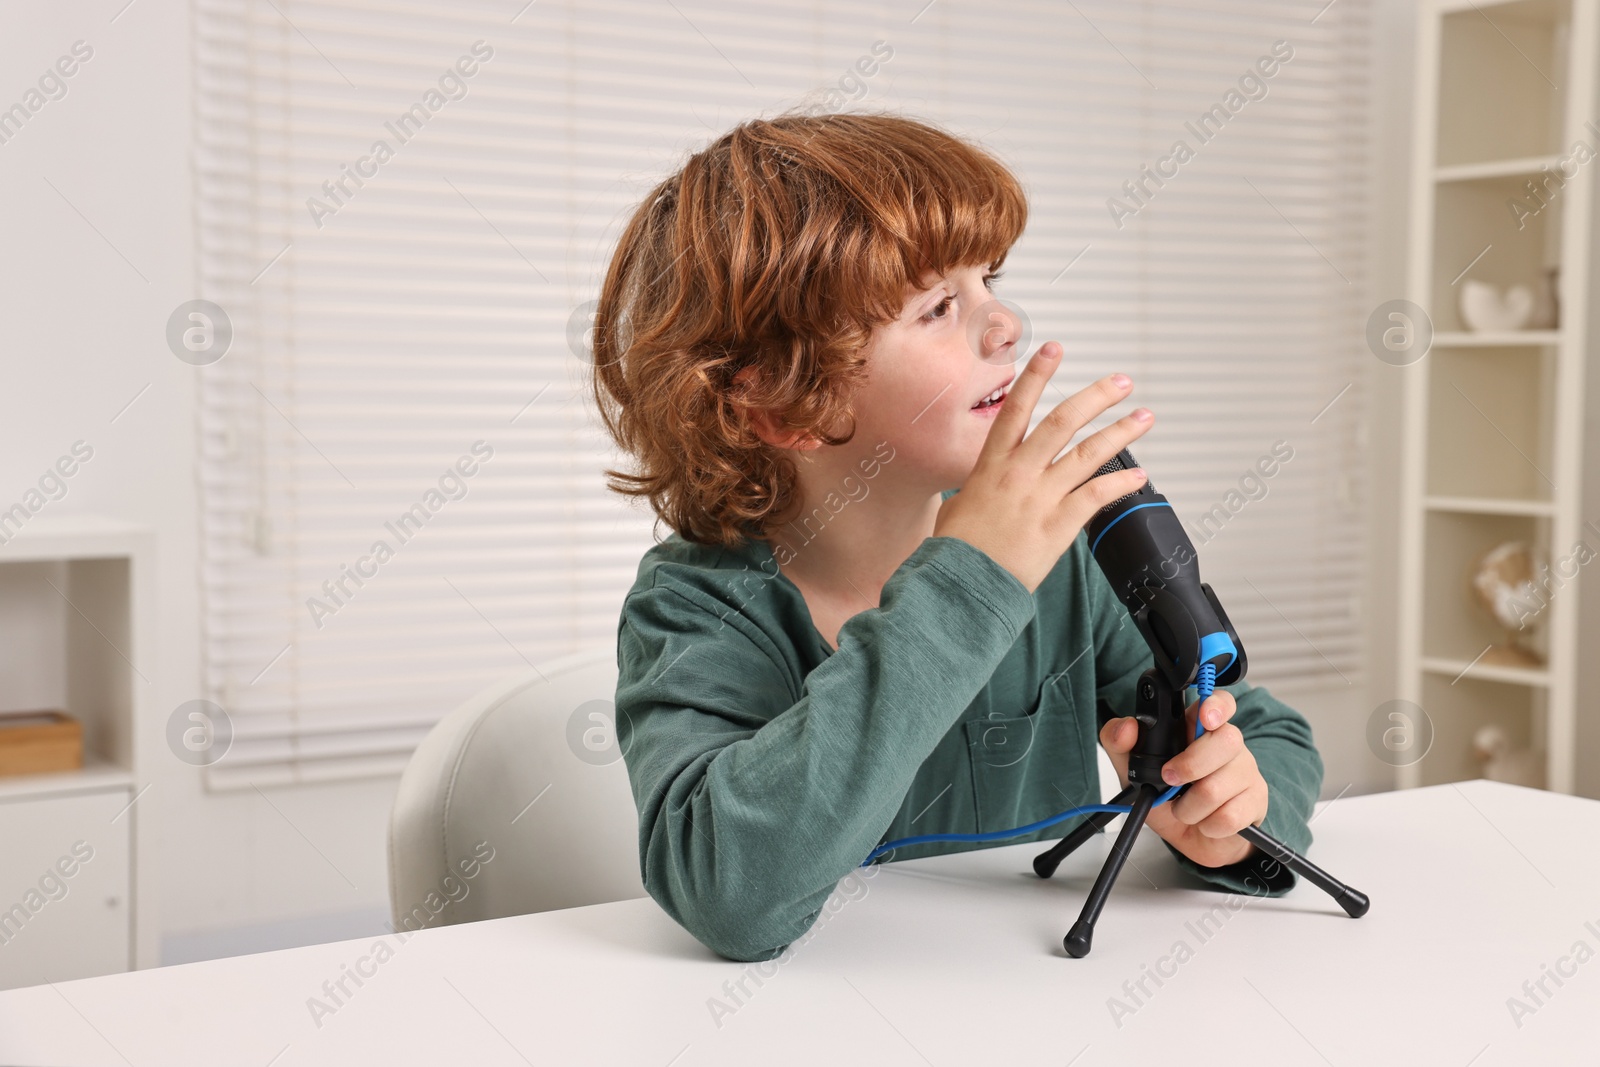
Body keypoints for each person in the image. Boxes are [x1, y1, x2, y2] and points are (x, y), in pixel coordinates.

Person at [588, 110, 1323, 963]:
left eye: (989, 279)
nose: (1003, 321)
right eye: (940, 306)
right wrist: (974, 577)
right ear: (783, 400)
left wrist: (1231, 817)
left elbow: (1270, 734)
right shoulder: (697, 609)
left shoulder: (1062, 559)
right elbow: (729, 891)